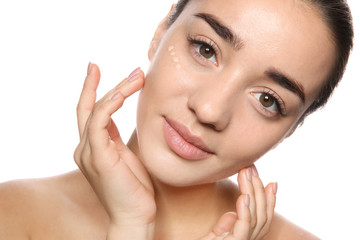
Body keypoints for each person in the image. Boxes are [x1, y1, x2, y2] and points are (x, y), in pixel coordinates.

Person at [0, 0, 354, 239]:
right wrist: (130, 227)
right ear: (160, 33)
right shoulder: (13, 216)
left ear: (291, 130)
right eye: (206, 49)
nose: (210, 110)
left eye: (267, 100)